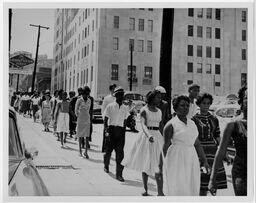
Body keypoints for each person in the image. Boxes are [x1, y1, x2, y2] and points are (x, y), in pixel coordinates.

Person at [162, 95, 210, 196]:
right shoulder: (171, 125)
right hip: (176, 158)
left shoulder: (192, 123)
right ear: (175, 108)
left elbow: (197, 143)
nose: (185, 108)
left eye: (187, 106)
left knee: (191, 185)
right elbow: (165, 147)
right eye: (182, 105)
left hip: (191, 157)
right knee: (178, 186)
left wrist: (205, 161)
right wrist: (162, 165)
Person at [123, 90, 164, 196]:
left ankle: (160, 191)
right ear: (151, 98)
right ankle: (145, 188)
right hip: (147, 137)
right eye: (158, 97)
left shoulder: (159, 111)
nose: (160, 99)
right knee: (146, 162)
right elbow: (143, 124)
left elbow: (161, 125)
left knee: (159, 163)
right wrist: (148, 135)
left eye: (160, 97)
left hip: (158, 136)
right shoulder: (144, 110)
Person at [209, 86, 247, 196]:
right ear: (241, 101)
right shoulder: (233, 124)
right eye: (247, 97)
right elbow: (221, 151)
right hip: (241, 172)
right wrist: (213, 178)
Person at [192, 93, 227, 196]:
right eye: (203, 103)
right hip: (200, 151)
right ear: (199, 104)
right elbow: (194, 138)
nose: (206, 106)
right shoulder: (194, 119)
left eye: (208, 103)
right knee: (202, 182)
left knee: (212, 181)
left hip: (213, 151)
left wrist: (223, 151)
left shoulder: (214, 119)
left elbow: (217, 135)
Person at [103, 87, 128, 182]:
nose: (121, 96)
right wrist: (106, 131)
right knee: (108, 151)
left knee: (120, 154)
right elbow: (105, 119)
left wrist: (123, 131)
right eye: (119, 95)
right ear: (116, 95)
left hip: (120, 131)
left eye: (122, 95)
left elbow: (125, 120)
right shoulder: (110, 106)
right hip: (111, 130)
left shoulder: (125, 108)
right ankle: (106, 164)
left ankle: (119, 174)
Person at [75, 86, 91, 158]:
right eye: (85, 93)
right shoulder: (79, 100)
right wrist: (78, 115)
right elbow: (76, 109)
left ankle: (86, 152)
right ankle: (80, 151)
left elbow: (89, 109)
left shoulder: (89, 100)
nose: (86, 95)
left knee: (87, 135)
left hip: (87, 119)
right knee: (80, 135)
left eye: (88, 94)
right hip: (80, 118)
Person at [101, 84, 117, 152]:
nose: (114, 91)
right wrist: (104, 119)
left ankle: (112, 148)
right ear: (110, 90)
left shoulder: (117, 98)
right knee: (106, 134)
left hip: (115, 120)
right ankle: (105, 148)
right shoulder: (107, 98)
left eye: (115, 89)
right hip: (108, 119)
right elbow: (103, 109)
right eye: (113, 89)